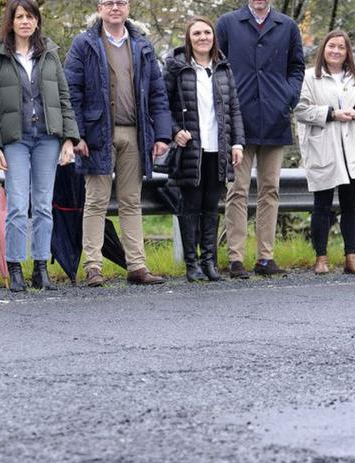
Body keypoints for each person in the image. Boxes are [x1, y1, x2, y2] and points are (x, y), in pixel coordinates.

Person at [64, 0, 171, 287]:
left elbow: (157, 93)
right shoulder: (84, 43)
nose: (115, 7)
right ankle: (93, 267)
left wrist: (161, 135)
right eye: (109, 2)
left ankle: (137, 266)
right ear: (100, 8)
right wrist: (77, 135)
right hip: (98, 135)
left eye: (120, 2)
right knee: (96, 201)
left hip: (136, 133)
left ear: (128, 7)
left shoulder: (141, 45)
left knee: (131, 202)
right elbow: (71, 91)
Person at [0, 0, 79, 292]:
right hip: (16, 140)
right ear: (11, 21)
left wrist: (68, 139)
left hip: (47, 139)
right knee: (16, 206)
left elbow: (63, 99)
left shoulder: (50, 54)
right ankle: (15, 268)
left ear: (37, 21)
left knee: (42, 206)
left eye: (30, 16)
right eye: (20, 16)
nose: (25, 21)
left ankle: (41, 269)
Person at [215, 0, 305, 278]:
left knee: (270, 189)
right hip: (238, 117)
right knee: (237, 190)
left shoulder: (287, 26)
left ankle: (266, 257)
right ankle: (236, 258)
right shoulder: (228, 23)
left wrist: (286, 97)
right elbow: (218, 66)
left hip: (274, 116)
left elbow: (297, 67)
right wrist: (227, 104)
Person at [164, 17, 245, 282]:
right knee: (190, 206)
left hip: (217, 148)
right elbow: (162, 106)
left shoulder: (223, 68)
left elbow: (234, 108)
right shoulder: (177, 68)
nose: (202, 37)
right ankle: (192, 265)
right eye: (196, 33)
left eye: (207, 32)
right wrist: (176, 131)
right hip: (190, 149)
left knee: (211, 206)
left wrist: (237, 142)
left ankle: (209, 261)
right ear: (189, 38)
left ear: (213, 37)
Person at [296, 30, 355, 275]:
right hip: (324, 148)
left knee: (350, 205)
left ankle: (351, 257)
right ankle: (321, 258)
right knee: (322, 205)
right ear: (324, 49)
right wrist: (331, 114)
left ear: (347, 52)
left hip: (352, 149)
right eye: (331, 46)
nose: (335, 51)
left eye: (341, 47)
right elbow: (301, 110)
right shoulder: (310, 77)